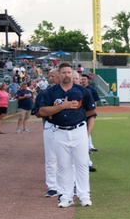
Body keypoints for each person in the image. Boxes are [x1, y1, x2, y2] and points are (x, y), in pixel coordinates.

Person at [37, 64, 95, 207]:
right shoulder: (50, 93)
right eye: (63, 72)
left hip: (78, 129)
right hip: (59, 130)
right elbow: (41, 111)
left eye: (69, 72)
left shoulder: (82, 91)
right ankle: (66, 195)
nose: (67, 75)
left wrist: (81, 125)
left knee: (81, 163)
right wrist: (62, 106)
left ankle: (84, 195)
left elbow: (90, 112)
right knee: (63, 165)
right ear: (59, 74)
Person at [34, 69, 61, 197]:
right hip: (50, 127)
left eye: (53, 76)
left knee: (68, 158)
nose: (50, 78)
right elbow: (37, 112)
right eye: (49, 76)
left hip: (67, 127)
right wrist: (47, 112)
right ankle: (52, 186)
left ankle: (70, 184)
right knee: (51, 158)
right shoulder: (43, 93)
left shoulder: (69, 91)